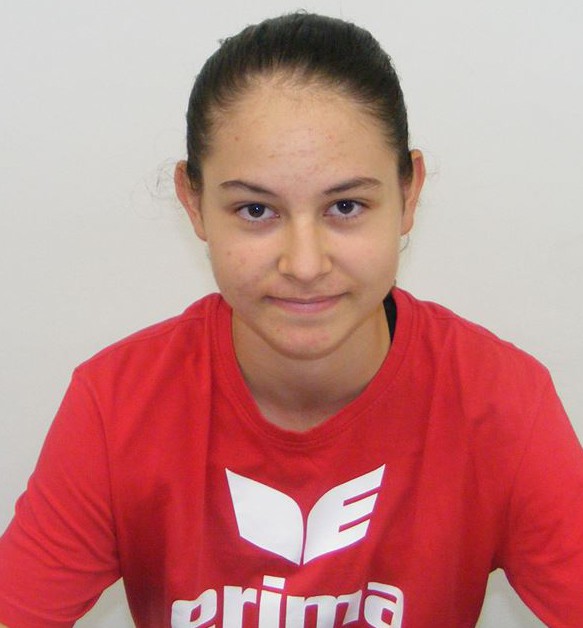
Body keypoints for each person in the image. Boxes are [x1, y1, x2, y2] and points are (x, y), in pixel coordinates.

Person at [0, 11, 581, 628]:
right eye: (256, 210)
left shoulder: (502, 403)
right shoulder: (117, 405)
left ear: (409, 194)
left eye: (346, 206)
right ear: (194, 203)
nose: (304, 265)